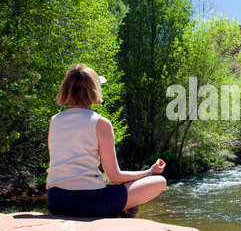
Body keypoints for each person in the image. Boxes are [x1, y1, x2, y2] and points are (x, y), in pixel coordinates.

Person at [46, 64, 167, 217]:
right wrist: (150, 172)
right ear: (94, 90)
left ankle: (118, 211)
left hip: (55, 202)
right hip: (89, 202)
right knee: (159, 181)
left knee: (112, 189)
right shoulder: (100, 123)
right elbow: (115, 176)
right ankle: (118, 213)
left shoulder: (54, 120)